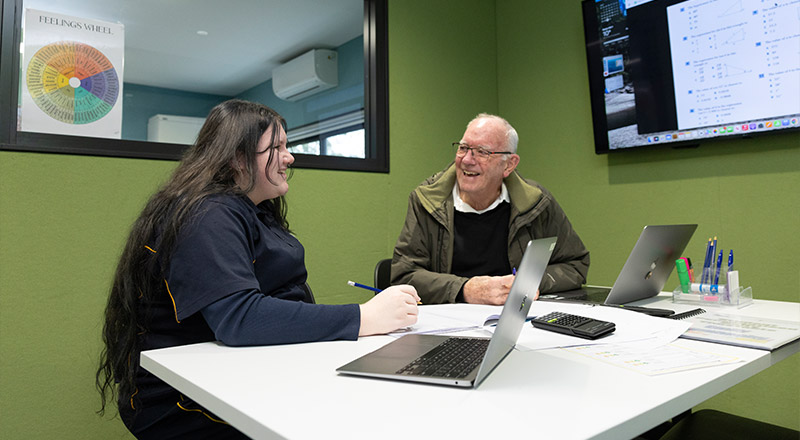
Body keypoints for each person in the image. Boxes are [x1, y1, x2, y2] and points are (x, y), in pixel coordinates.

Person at [96, 99, 419, 439]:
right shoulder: (208, 214)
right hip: (179, 397)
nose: (289, 157)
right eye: (276, 148)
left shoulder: (252, 210)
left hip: (238, 371)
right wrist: (364, 317)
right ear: (237, 158)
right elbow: (239, 319)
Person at [391, 113, 589, 305]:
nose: (467, 160)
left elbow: (575, 264)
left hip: (517, 317)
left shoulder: (537, 203)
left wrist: (528, 282)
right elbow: (404, 276)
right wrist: (464, 289)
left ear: (509, 165)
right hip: (448, 319)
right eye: (463, 148)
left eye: (482, 152)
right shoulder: (427, 201)